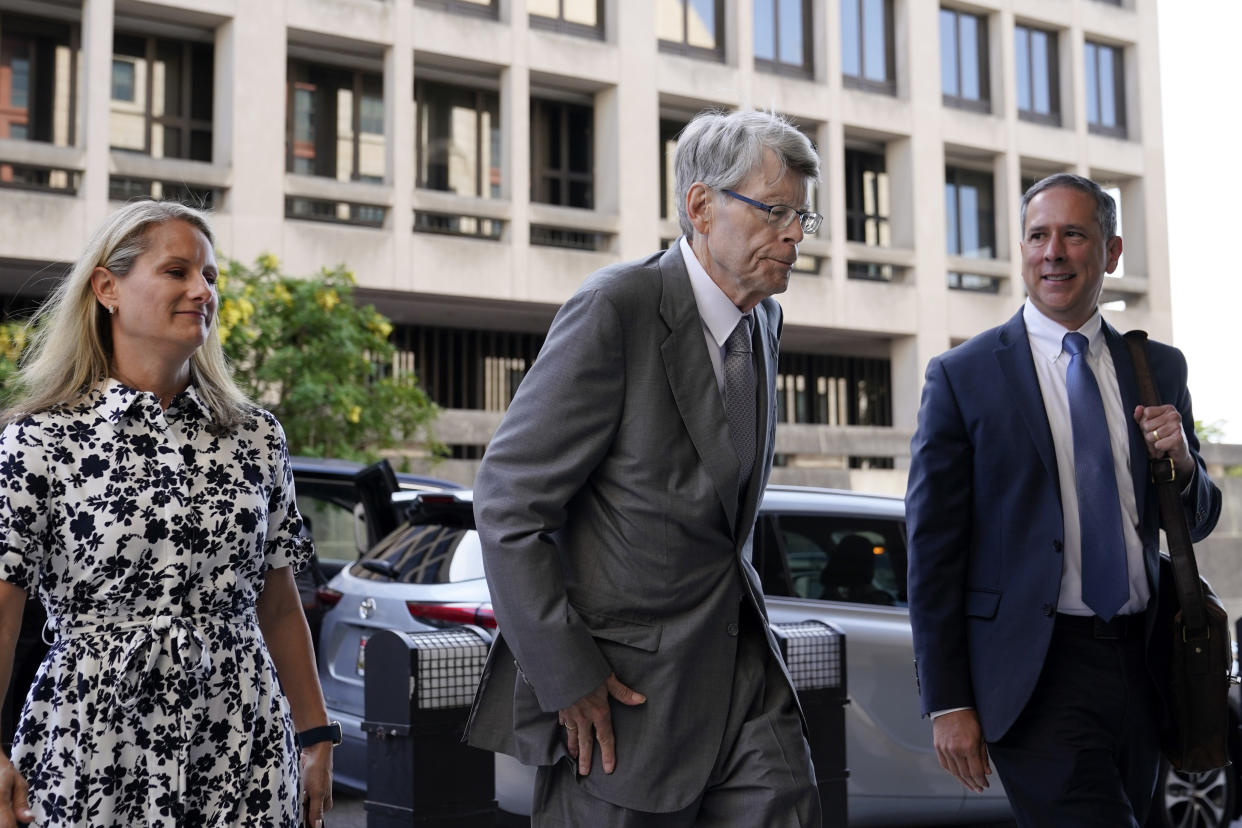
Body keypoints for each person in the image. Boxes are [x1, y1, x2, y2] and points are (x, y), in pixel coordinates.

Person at [464, 109, 823, 826]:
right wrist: (567, 676)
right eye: (776, 210)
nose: (792, 235)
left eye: (803, 219)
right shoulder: (615, 308)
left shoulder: (765, 319)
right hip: (621, 698)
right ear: (701, 206)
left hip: (744, 677)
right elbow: (508, 504)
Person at [0, 201, 336, 827]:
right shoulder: (40, 440)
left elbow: (279, 600)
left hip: (243, 738)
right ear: (108, 288)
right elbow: (2, 607)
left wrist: (316, 735)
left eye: (209, 277)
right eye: (177, 271)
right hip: (93, 742)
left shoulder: (255, 437)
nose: (200, 291)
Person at [906, 173, 1222, 826]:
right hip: (1035, 673)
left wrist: (1187, 468)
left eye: (1073, 235)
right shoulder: (963, 377)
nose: (1053, 252)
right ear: (1021, 250)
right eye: (1038, 235)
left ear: (1110, 252)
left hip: (1146, 664)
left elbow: (1196, 521)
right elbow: (931, 551)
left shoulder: (1158, 369)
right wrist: (947, 700)